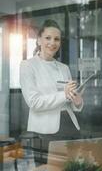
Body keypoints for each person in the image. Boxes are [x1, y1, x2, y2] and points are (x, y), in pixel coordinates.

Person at [20, 19, 83, 162]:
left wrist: (77, 102)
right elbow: (34, 102)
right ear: (38, 40)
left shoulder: (64, 67)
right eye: (48, 38)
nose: (52, 43)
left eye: (56, 39)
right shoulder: (28, 66)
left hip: (70, 127)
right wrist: (64, 94)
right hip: (44, 132)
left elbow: (69, 102)